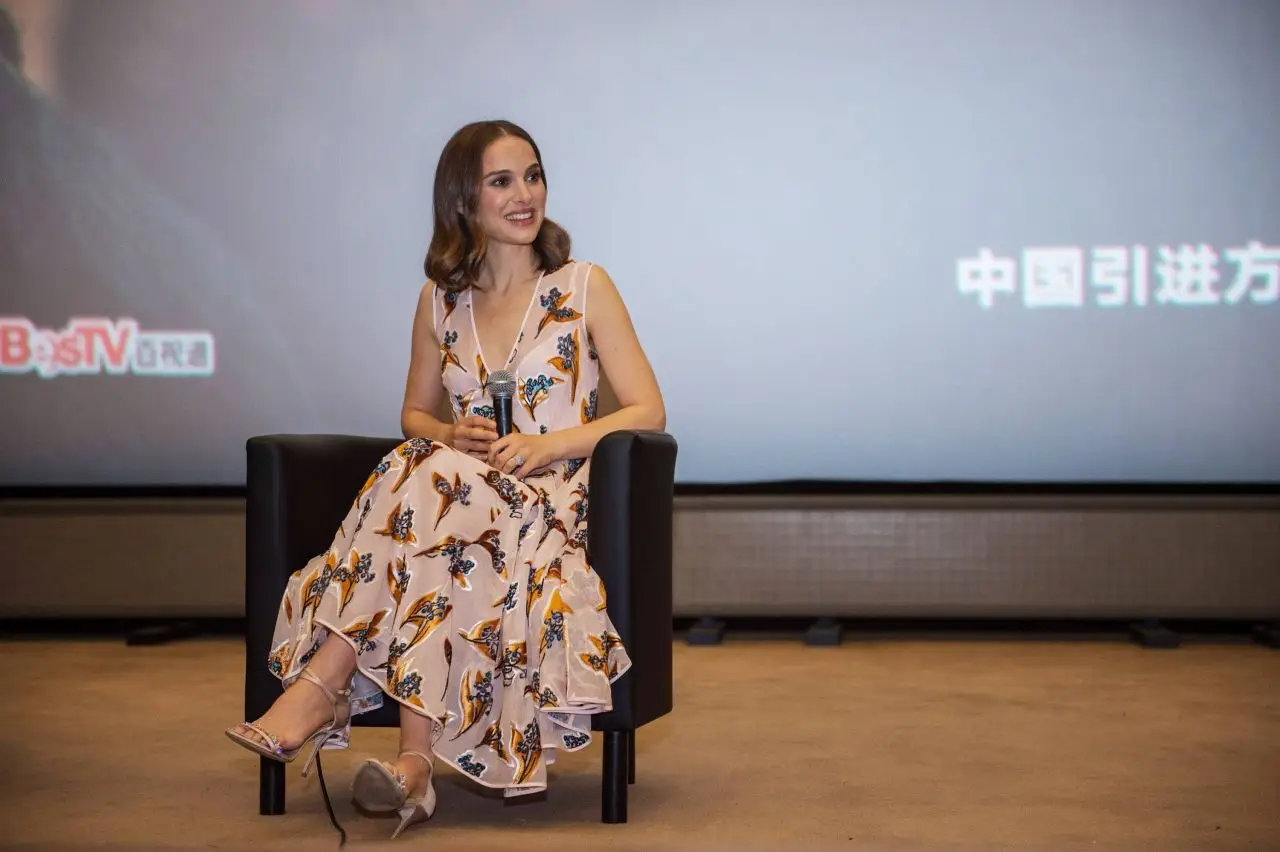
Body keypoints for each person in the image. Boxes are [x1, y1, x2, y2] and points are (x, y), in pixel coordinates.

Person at [225, 119, 666, 839]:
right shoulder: (439, 304)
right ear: (464, 200)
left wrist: (553, 443)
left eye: (533, 175)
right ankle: (413, 768)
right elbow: (413, 415)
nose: (525, 194)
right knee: (431, 492)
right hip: (456, 503)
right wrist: (450, 435)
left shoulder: (584, 288)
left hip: (547, 505)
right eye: (502, 181)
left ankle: (320, 688)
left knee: (420, 479)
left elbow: (648, 409)